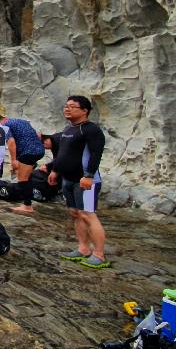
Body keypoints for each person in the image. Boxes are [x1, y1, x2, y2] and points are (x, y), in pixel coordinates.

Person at [50, 95, 109, 269]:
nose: (67, 109)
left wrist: (89, 175)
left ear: (85, 110)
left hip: (85, 181)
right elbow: (63, 153)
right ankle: (83, 248)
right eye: (66, 106)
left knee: (88, 214)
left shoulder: (90, 130)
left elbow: (96, 154)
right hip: (68, 179)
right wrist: (55, 170)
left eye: (72, 106)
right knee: (76, 213)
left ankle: (99, 254)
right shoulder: (69, 129)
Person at [0, 113, 44, 213]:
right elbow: (36, 135)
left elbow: (11, 142)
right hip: (39, 150)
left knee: (22, 179)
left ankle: (27, 206)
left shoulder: (5, 126)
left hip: (27, 152)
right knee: (27, 177)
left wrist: (14, 160)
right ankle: (28, 202)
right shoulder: (22, 121)